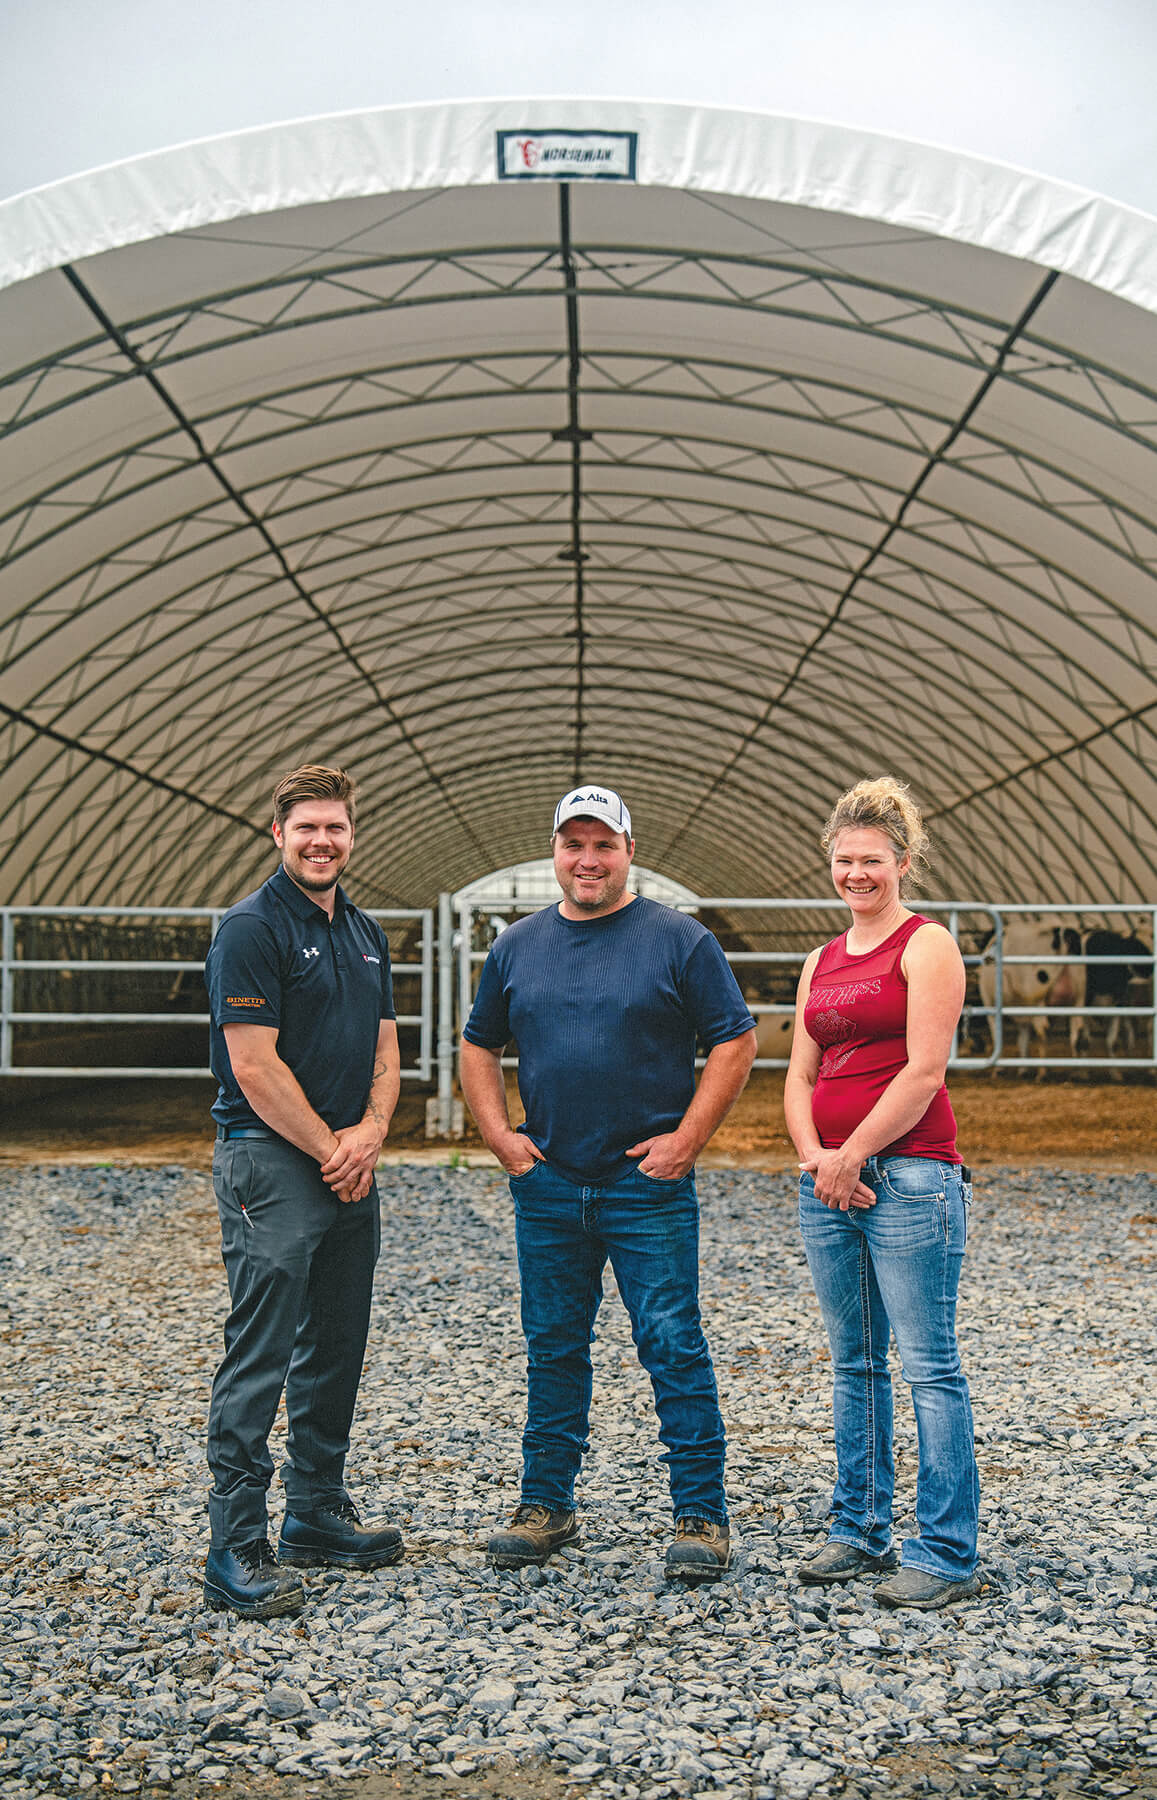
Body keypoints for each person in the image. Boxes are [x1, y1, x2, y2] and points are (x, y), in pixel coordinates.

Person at [459, 785, 757, 1583]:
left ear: (629, 850)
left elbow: (735, 1040)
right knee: (553, 1346)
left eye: (603, 845)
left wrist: (687, 1139)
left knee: (670, 1343)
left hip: (643, 1185)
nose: (587, 860)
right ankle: (544, 1504)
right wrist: (498, 1135)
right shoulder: (517, 945)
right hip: (549, 1182)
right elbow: (477, 1043)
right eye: (572, 845)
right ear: (554, 851)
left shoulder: (678, 941)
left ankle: (700, 1514)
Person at [202, 764, 404, 1618]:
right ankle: (234, 1544)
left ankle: (315, 1512)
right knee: (262, 1350)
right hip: (272, 1159)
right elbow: (252, 1063)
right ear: (277, 834)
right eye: (307, 828)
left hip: (344, 1158)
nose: (323, 842)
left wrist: (372, 1132)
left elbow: (388, 1045)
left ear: (352, 834)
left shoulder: (362, 929)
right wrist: (333, 1150)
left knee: (336, 1342)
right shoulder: (250, 928)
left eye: (337, 828)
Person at [784, 776, 981, 1610]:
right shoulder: (820, 960)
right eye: (843, 860)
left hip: (907, 1177)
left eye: (871, 860)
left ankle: (943, 1551)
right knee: (855, 1362)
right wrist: (813, 1157)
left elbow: (923, 1070)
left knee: (928, 1367)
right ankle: (857, 1529)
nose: (856, 873)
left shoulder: (925, 945)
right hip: (827, 1178)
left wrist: (852, 1154)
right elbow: (798, 1072)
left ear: (902, 862)